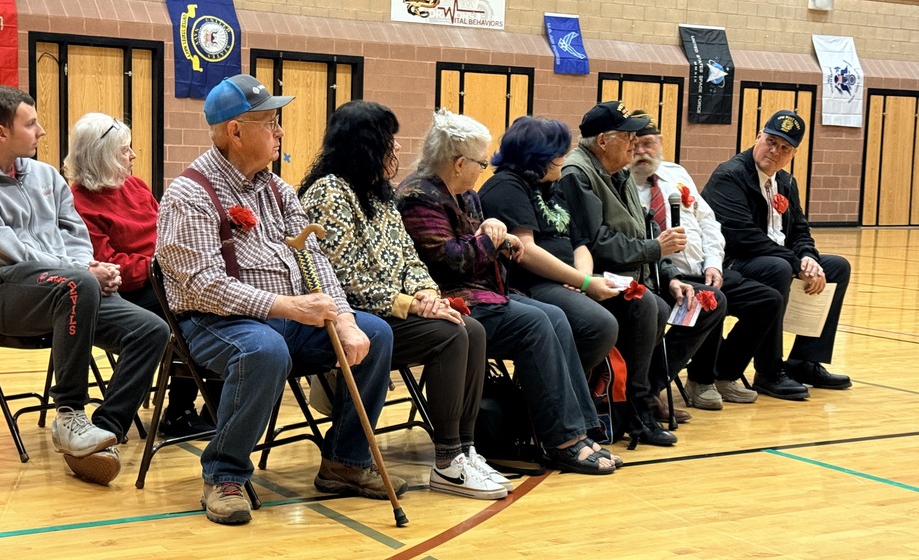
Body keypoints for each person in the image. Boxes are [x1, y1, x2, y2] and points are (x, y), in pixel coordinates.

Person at [155, 74, 404, 525]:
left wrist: (344, 317)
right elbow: (201, 285)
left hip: (288, 315)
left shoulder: (277, 189)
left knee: (376, 332)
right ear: (234, 131)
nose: (280, 131)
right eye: (270, 122)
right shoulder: (189, 193)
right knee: (264, 350)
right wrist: (289, 307)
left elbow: (316, 261)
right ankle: (223, 474)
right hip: (213, 321)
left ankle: (345, 463)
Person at [0, 85, 169, 486]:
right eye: (30, 124)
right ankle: (70, 415)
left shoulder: (44, 175)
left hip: (67, 288)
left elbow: (74, 233)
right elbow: (10, 252)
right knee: (78, 284)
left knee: (152, 330)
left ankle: (104, 433)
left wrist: (89, 264)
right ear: (0, 132)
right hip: (3, 293)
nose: (42, 131)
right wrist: (84, 271)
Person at [299, 100, 508, 500]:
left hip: (393, 308)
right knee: (451, 336)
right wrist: (408, 304)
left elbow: (408, 258)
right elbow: (342, 278)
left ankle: (465, 450)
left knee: (473, 329)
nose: (396, 150)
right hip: (353, 315)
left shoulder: (378, 194)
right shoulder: (330, 193)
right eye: (387, 141)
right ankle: (447, 462)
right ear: (364, 146)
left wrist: (427, 292)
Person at [397, 108, 622, 472]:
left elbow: (477, 247)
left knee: (555, 316)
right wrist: (490, 238)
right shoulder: (418, 196)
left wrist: (500, 242)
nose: (483, 170)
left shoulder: (465, 195)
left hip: (486, 293)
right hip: (451, 302)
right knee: (535, 322)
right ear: (458, 163)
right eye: (480, 164)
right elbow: (449, 261)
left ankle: (580, 431)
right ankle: (562, 439)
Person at [558, 101, 726, 438]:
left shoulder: (617, 170)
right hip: (601, 278)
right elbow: (595, 242)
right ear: (603, 140)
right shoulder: (578, 174)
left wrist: (672, 275)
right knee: (650, 306)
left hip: (644, 274)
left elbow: (645, 230)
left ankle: (647, 390)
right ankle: (636, 412)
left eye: (639, 138)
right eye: (628, 137)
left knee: (708, 301)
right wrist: (655, 250)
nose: (635, 145)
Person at [67, 112, 210, 436]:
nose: (133, 156)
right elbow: (109, 266)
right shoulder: (79, 201)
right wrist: (159, 265)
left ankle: (207, 410)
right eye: (124, 151)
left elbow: (166, 233)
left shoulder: (136, 185)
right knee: (193, 311)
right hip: (128, 291)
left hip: (162, 277)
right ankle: (178, 411)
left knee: (219, 300)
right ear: (101, 157)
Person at [629, 114, 784, 408]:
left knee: (768, 301)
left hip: (704, 268)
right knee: (709, 299)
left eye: (647, 144)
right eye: (634, 145)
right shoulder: (622, 184)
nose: (641, 152)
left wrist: (713, 263)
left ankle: (725, 374)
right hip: (663, 278)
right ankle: (692, 381)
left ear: (660, 144)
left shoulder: (677, 173)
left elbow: (709, 222)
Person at [702, 110, 851, 398]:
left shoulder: (786, 182)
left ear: (793, 154)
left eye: (784, 148)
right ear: (758, 136)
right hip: (732, 261)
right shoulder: (729, 175)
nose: (775, 151)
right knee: (778, 269)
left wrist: (808, 257)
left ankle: (804, 360)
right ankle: (769, 370)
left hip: (775, 257)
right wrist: (796, 264)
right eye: (771, 141)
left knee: (835, 267)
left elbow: (799, 230)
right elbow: (743, 237)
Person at [478, 116, 620, 383]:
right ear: (538, 157)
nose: (564, 160)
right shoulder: (507, 186)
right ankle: (543, 397)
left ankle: (628, 406)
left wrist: (583, 279)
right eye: (559, 155)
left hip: (567, 281)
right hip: (532, 284)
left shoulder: (551, 187)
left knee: (642, 306)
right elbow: (527, 252)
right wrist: (585, 282)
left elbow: (579, 244)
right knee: (599, 325)